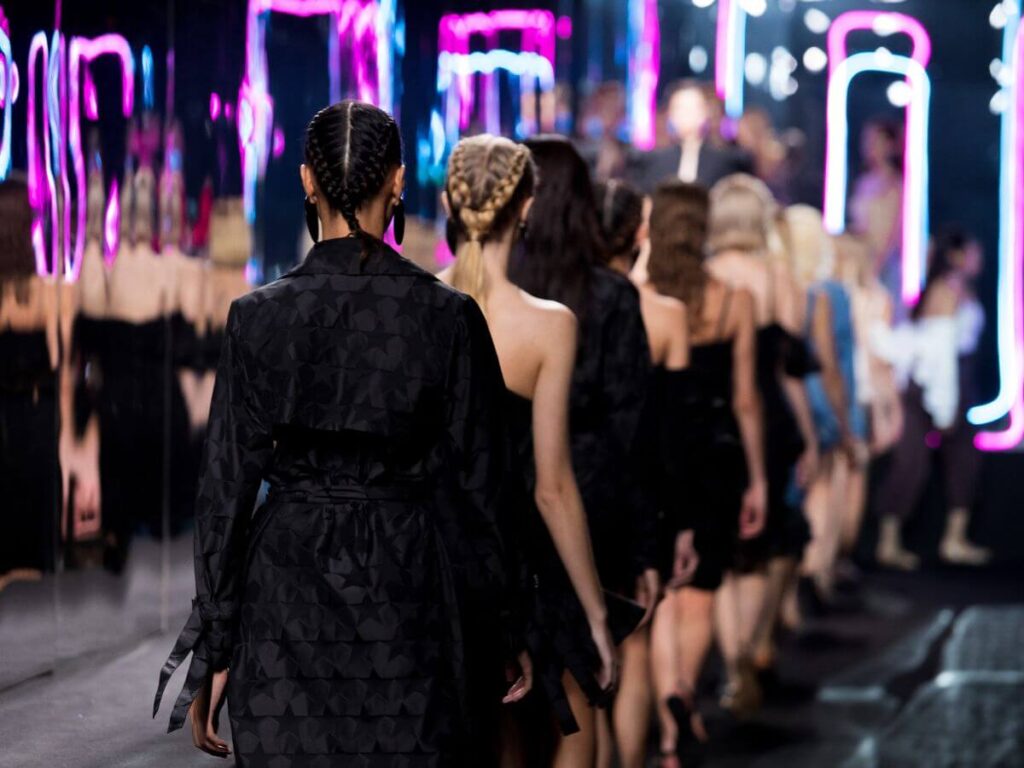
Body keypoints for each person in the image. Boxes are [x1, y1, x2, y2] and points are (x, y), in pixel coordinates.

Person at [154, 101, 530, 765]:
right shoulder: (447, 318)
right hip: (405, 578)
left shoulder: (258, 317)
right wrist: (507, 627)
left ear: (306, 181)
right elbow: (486, 488)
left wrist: (214, 644)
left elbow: (225, 491)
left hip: (287, 582)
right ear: (399, 181)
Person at [439, 134, 616, 768]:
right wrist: (597, 613)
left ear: (447, 202)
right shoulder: (549, 324)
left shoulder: (414, 309)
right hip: (516, 562)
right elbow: (552, 486)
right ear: (527, 208)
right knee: (548, 726)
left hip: (429, 558)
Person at [508, 135, 655, 764]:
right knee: (584, 686)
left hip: (506, 504)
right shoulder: (611, 297)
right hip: (592, 502)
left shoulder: (493, 292)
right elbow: (632, 430)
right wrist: (646, 540)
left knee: (508, 701)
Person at [646, 180, 765, 765]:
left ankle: (666, 709)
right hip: (715, 452)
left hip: (659, 452)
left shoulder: (640, 296)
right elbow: (745, 397)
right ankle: (684, 691)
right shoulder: (732, 299)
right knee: (701, 593)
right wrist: (760, 478)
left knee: (663, 588)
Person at [703, 177, 815, 711]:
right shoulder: (776, 277)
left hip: (709, 418)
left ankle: (731, 667)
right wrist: (812, 437)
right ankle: (747, 652)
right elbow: (791, 366)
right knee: (763, 544)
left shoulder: (702, 278)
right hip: (766, 418)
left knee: (724, 551)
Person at [593, 179, 691, 768]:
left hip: (586, 490)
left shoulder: (565, 301)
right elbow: (665, 432)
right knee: (633, 646)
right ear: (639, 232)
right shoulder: (656, 311)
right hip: (634, 494)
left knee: (586, 668)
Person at [873, 229, 990, 568]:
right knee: (912, 461)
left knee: (964, 462)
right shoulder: (947, 290)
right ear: (956, 256)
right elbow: (937, 354)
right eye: (973, 252)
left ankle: (953, 538)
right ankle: (889, 541)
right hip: (938, 384)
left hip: (957, 380)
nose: (978, 260)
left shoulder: (959, 289)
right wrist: (944, 403)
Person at [782, 206, 863, 608]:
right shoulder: (824, 293)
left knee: (793, 493)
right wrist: (846, 420)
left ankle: (795, 595)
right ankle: (814, 573)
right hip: (817, 399)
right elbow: (831, 364)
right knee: (823, 490)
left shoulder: (777, 286)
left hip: (786, 397)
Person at [0, 177, 60, 589]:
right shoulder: (42, 285)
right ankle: (32, 561)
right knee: (29, 477)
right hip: (35, 402)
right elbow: (55, 354)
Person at [631, 80, 753, 195]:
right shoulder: (653, 161)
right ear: (670, 114)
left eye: (693, 108)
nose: (686, 115)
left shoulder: (726, 161)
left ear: (705, 112)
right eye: (680, 108)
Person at [849, 119, 904, 315]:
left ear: (890, 145)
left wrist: (874, 267)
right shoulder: (864, 182)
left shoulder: (894, 185)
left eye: (875, 141)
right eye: (867, 141)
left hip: (882, 265)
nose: (869, 146)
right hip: (860, 262)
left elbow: (892, 233)